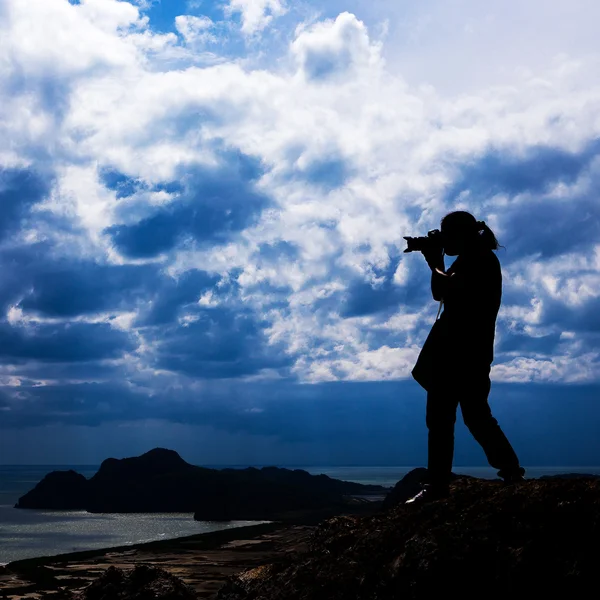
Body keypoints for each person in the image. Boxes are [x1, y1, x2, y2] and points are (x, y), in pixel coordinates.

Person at [405, 211, 525, 504]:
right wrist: (436, 261)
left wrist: (434, 262)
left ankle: (439, 486)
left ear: (462, 236)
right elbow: (443, 291)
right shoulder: (475, 257)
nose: (444, 242)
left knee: (449, 419)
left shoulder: (479, 260)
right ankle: (509, 471)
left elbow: (442, 290)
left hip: (460, 352)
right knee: (472, 415)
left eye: (448, 237)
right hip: (469, 352)